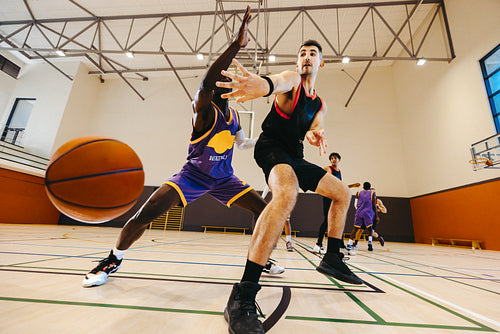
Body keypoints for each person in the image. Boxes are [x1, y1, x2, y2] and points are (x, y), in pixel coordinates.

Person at [82, 6, 284, 288]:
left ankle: (261, 257)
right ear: (216, 87)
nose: (226, 83)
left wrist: (267, 140)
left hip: (225, 178)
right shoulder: (204, 110)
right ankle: (113, 259)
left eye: (229, 81)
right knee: (147, 213)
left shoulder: (235, 116)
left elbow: (240, 143)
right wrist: (236, 46)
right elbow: (204, 83)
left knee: (265, 211)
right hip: (193, 176)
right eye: (222, 80)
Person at [217, 38, 363, 334]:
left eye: (313, 54)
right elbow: (274, 82)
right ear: (298, 62)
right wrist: (259, 85)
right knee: (286, 193)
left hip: (295, 154)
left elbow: (315, 126)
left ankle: (333, 257)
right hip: (272, 148)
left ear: (321, 63)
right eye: (302, 54)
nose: (306, 57)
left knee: (342, 192)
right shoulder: (293, 79)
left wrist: (315, 135)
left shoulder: (319, 102)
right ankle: (243, 295)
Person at [313, 152, 341, 255]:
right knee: (327, 220)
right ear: (330, 160)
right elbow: (328, 181)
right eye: (332, 158)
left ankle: (322, 245)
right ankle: (318, 244)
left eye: (335, 158)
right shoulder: (328, 169)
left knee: (332, 221)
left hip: (335, 198)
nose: (334, 160)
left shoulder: (339, 171)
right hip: (328, 197)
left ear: (339, 160)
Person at [346, 182, 377, 252]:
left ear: (363, 187)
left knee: (355, 228)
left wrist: (359, 210)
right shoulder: (372, 193)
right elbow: (374, 205)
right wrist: (376, 216)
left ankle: (349, 244)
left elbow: (355, 204)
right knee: (370, 229)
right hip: (368, 213)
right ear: (370, 187)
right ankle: (370, 243)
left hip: (359, 212)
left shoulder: (358, 193)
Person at [262, 185, 294, 251]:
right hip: (276, 201)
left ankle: (288, 242)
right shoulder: (272, 177)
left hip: (286, 201)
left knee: (286, 222)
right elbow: (267, 186)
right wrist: (262, 198)